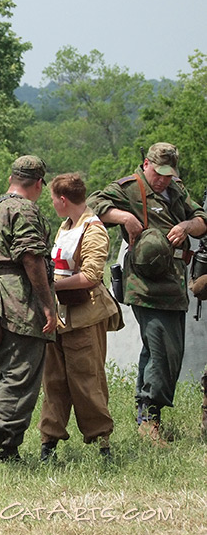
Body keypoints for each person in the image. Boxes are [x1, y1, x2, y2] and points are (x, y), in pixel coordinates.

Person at [87, 143, 207, 444]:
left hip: (175, 282)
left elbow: (202, 220)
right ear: (146, 164)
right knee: (163, 351)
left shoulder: (177, 189)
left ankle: (147, 412)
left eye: (168, 174)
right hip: (145, 284)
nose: (163, 180)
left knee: (164, 350)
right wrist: (124, 217)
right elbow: (94, 203)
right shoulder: (130, 188)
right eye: (159, 173)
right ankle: (148, 418)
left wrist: (186, 225)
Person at [0, 155, 56, 467]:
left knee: (8, 373)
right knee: (19, 376)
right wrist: (47, 305)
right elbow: (31, 257)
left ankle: (7, 449)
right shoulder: (23, 208)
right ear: (37, 183)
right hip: (17, 298)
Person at [38, 173, 117, 461]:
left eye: (53, 199)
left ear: (62, 199)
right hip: (59, 317)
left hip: (84, 315)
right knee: (55, 381)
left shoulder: (93, 229)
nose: (52, 204)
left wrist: (51, 285)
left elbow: (91, 276)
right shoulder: (65, 226)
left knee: (87, 380)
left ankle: (102, 443)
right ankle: (49, 441)